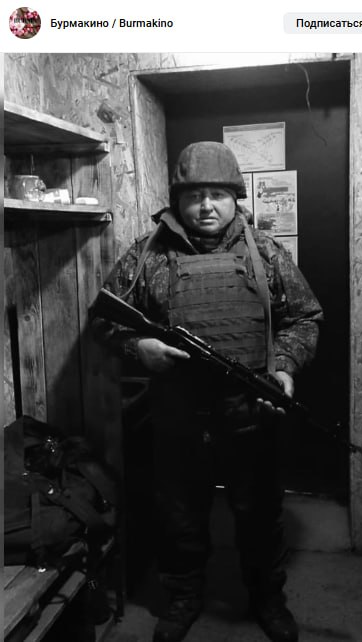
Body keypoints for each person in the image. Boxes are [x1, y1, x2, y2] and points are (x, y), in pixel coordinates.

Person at [92, 141, 323, 642]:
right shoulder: (148, 254)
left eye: (217, 194)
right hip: (178, 414)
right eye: (194, 195)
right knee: (179, 515)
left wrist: (284, 367)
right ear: (178, 200)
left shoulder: (265, 252)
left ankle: (267, 597)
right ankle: (183, 597)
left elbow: (305, 318)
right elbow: (103, 322)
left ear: (234, 198)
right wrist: (139, 348)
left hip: (249, 411)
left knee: (259, 515)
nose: (206, 206)